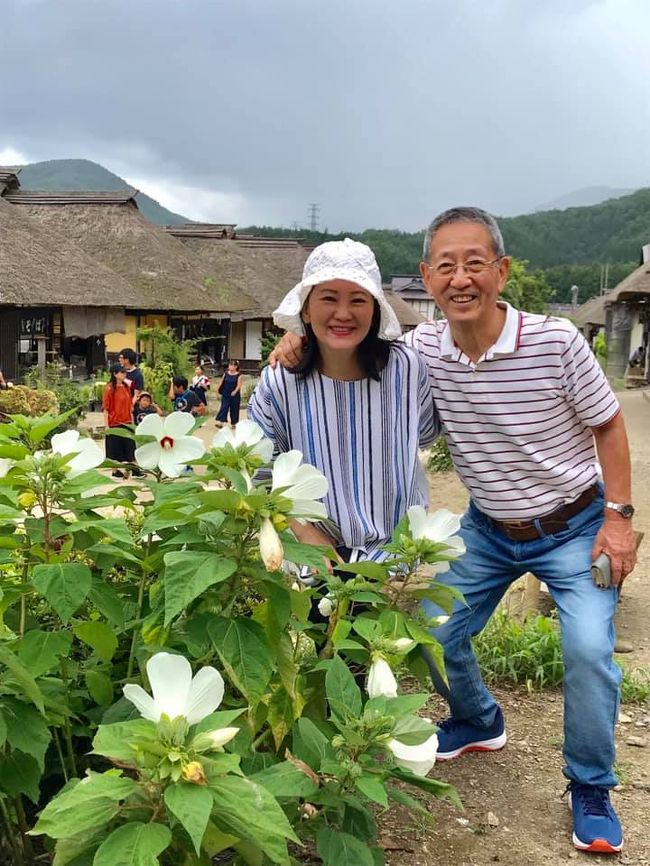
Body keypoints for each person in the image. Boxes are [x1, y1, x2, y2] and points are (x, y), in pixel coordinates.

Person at [271, 209, 637, 855]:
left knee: (585, 649)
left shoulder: (555, 341)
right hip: (489, 529)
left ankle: (591, 787)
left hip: (574, 524)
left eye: (475, 263)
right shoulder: (423, 351)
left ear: (501, 270)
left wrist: (619, 518)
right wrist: (295, 340)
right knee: (434, 633)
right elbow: (344, 339)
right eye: (446, 265)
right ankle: (476, 718)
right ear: (426, 278)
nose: (460, 278)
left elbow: (608, 424)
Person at [249, 237, 438, 564]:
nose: (343, 313)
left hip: (393, 562)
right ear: (305, 308)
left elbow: (423, 435)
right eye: (328, 298)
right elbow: (262, 478)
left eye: (358, 300)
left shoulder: (406, 370)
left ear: (376, 308)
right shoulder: (280, 383)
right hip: (311, 561)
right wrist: (308, 535)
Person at [102, 363, 136, 478]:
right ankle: (115, 470)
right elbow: (106, 409)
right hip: (114, 422)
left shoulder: (126, 387)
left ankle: (133, 468)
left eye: (125, 372)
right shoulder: (109, 388)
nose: (124, 374)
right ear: (115, 374)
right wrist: (106, 426)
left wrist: (132, 422)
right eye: (122, 372)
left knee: (130, 446)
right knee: (114, 449)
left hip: (126, 421)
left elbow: (130, 406)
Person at [216, 360, 243, 428]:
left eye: (232, 365)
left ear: (236, 367)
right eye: (230, 365)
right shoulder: (226, 373)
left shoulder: (239, 375)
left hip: (234, 395)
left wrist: (235, 391)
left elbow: (239, 385)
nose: (230, 367)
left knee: (234, 409)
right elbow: (221, 382)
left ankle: (234, 423)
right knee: (224, 407)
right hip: (225, 393)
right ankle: (221, 422)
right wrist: (218, 389)